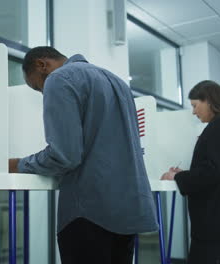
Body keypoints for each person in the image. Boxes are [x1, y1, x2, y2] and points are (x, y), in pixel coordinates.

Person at [9, 47, 158, 263]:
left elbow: (65, 155)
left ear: (42, 65)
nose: (43, 92)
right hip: (127, 210)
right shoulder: (118, 83)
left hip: (89, 211)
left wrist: (18, 165)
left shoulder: (59, 79)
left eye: (37, 86)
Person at [161, 80, 220, 264]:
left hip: (216, 220)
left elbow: (213, 171)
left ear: (208, 100)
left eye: (195, 105)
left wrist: (177, 176)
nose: (194, 112)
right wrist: (187, 173)